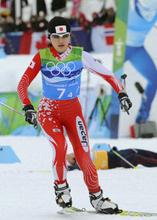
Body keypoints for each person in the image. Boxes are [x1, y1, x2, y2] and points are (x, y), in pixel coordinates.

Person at [17, 16, 132, 214]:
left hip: (73, 112)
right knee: (60, 145)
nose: (61, 40)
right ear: (49, 37)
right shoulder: (42, 56)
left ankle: (97, 198)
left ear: (70, 36)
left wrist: (122, 93)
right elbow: (23, 83)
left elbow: (108, 75)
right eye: (56, 36)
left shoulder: (80, 55)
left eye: (65, 36)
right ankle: (61, 189)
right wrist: (27, 106)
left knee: (84, 155)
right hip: (48, 111)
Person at [125, 0, 157, 123]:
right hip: (122, 48)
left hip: (137, 49)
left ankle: (142, 118)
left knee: (154, 79)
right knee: (110, 78)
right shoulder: (131, 5)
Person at [67, 146, 157, 170]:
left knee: (137, 151)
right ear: (73, 161)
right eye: (70, 156)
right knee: (137, 157)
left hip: (120, 153)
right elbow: (71, 168)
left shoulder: (85, 152)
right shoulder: (81, 164)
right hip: (121, 161)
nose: (71, 153)